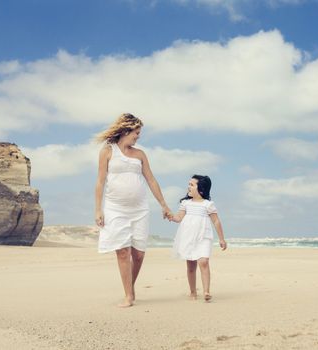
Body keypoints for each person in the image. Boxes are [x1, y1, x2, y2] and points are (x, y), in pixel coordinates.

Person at [94, 113, 171, 308]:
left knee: (138, 254)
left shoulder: (140, 154)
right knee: (122, 252)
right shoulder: (107, 151)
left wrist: (163, 204)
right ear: (126, 130)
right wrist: (98, 210)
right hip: (115, 208)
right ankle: (129, 295)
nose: (138, 137)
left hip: (139, 209)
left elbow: (151, 180)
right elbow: (100, 182)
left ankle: (130, 287)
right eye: (136, 133)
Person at [169, 175, 227, 302]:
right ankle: (193, 292)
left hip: (203, 236)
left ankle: (206, 291)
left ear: (201, 189)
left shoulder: (208, 204)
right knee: (190, 266)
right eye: (188, 184)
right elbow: (179, 218)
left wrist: (221, 239)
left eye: (192, 185)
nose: (188, 186)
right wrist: (171, 216)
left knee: (204, 262)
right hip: (188, 236)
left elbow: (216, 221)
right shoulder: (186, 203)